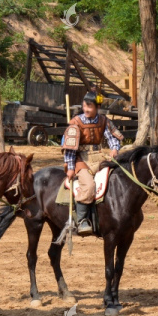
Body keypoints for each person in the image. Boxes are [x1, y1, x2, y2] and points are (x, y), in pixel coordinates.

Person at [62, 89, 123, 235]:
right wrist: (70, 169)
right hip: (81, 160)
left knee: (118, 177)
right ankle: (82, 220)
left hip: (100, 157)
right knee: (89, 185)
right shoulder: (76, 122)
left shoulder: (103, 120)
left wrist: (114, 149)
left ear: (97, 108)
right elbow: (70, 149)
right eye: (84, 106)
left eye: (90, 107)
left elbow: (113, 138)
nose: (86, 109)